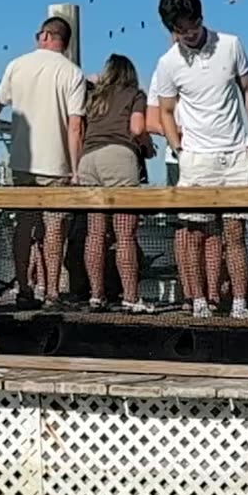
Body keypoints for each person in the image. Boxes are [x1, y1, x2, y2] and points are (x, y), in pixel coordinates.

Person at [151, 0, 248, 320]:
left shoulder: (231, 44)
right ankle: (199, 301)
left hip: (235, 153)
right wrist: (178, 147)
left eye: (193, 26)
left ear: (202, 17)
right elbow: (166, 110)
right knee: (195, 234)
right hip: (196, 159)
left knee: (235, 233)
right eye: (180, 30)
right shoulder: (168, 62)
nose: (189, 34)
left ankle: (240, 302)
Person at [0, 17, 87, 308]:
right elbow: (75, 126)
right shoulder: (73, 74)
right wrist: (75, 168)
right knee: (55, 229)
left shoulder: (17, 65)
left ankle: (23, 287)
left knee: (24, 227)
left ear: (45, 35)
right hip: (56, 164)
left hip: (21, 160)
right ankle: (52, 292)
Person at [77, 54, 149, 313]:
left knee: (95, 233)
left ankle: (96, 295)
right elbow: (138, 128)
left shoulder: (95, 96)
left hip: (88, 159)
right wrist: (148, 148)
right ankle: (130, 297)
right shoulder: (135, 94)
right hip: (118, 157)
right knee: (124, 233)